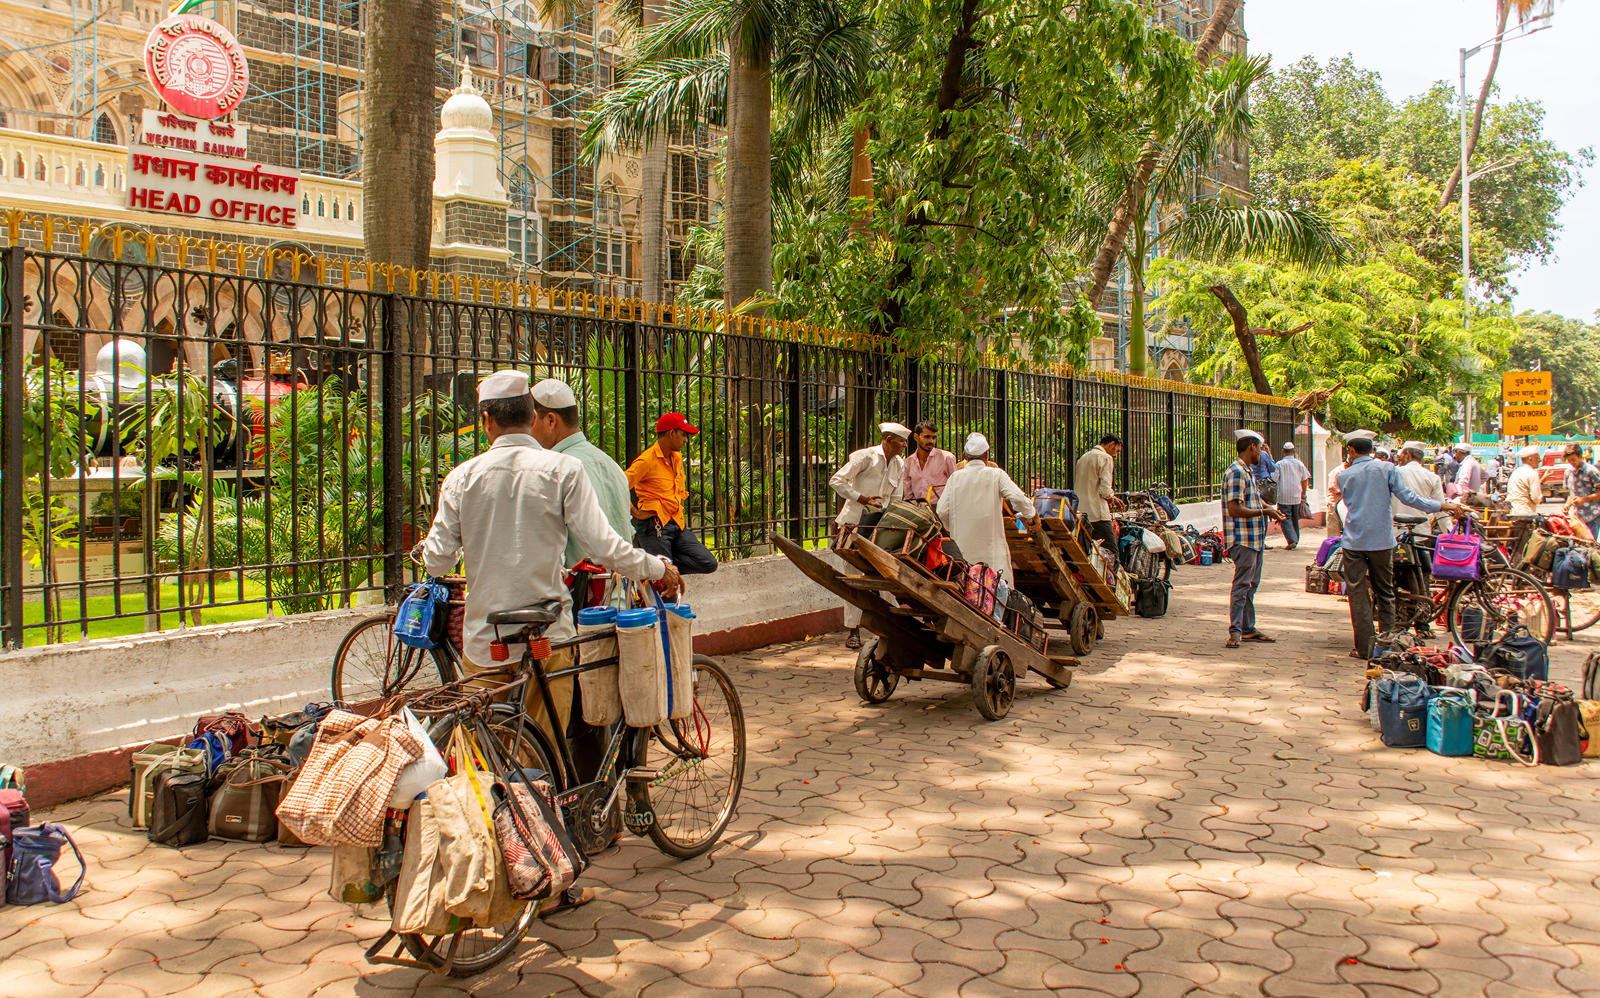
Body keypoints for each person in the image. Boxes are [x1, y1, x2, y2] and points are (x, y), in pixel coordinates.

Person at [419, 369, 680, 741]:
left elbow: (437, 562)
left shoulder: (462, 477)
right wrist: (657, 567)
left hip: (486, 640)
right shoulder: (563, 470)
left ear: (487, 421)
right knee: (546, 752)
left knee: (488, 752)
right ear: (531, 417)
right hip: (547, 636)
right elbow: (606, 547)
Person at [1335, 435, 1468, 659]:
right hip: (1382, 541)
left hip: (1354, 541)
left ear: (1351, 450)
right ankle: (1385, 645)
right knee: (1385, 592)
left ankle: (1364, 648)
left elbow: (1347, 504)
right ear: (1371, 450)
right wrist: (1442, 505)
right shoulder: (1387, 469)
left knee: (1357, 596)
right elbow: (1408, 497)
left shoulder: (1344, 475)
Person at [528, 379, 632, 577]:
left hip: (584, 599)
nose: (529, 431)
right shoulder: (610, 464)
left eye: (532, 422)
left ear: (551, 420)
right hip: (621, 595)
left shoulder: (556, 470)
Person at [829, 422, 911, 648]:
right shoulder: (865, 457)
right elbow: (836, 480)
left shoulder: (899, 464)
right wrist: (862, 498)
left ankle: (895, 625)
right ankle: (853, 630)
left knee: (886, 572)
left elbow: (897, 497)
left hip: (879, 526)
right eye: (901, 441)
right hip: (854, 523)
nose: (904, 445)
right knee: (854, 575)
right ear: (887, 440)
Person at [937, 433, 1037, 586]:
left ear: (964, 456)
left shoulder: (955, 478)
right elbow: (1018, 498)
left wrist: (955, 528)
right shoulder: (996, 475)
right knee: (997, 593)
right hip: (992, 556)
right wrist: (1032, 517)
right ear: (987, 456)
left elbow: (942, 511)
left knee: (968, 591)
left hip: (963, 553)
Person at [627, 412, 719, 577]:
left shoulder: (676, 457)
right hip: (654, 527)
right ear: (671, 433)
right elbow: (618, 485)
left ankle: (656, 566)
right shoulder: (646, 461)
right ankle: (658, 568)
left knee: (708, 562)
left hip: (676, 524)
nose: (686, 440)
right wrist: (635, 512)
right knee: (666, 588)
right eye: (683, 434)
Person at [1222, 434, 1286, 648]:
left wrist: (1266, 510)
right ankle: (1236, 631)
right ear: (1252, 447)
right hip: (1243, 539)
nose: (1262, 453)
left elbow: (1249, 503)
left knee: (1251, 585)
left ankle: (1248, 628)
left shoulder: (1247, 471)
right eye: (1260, 449)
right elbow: (1234, 508)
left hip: (1255, 538)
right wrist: (1264, 510)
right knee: (1242, 585)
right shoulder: (1237, 472)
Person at [1074, 434, 1125, 553]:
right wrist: (1112, 498)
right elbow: (1105, 491)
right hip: (1098, 514)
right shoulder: (1105, 458)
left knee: (1086, 552)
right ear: (1111, 444)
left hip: (1082, 513)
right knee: (1112, 552)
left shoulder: (1083, 457)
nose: (1115, 455)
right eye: (1116, 450)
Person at [1393, 442, 1445, 536]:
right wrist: (1448, 534)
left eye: (1400, 456)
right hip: (1421, 532)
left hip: (1395, 531)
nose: (1399, 459)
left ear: (1407, 455)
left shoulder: (1394, 473)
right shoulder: (1432, 477)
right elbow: (1441, 509)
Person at [903, 420, 957, 504]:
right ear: (916, 437)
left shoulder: (946, 458)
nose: (931, 441)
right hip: (919, 512)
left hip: (941, 512)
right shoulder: (908, 462)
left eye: (934, 437)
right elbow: (909, 495)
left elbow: (956, 487)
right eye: (927, 437)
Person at [1274, 442, 1310, 550]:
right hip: (1296, 496)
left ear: (1283, 451)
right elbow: (1304, 480)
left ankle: (1292, 539)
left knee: (1285, 518)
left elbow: (1274, 479)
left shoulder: (1279, 464)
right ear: (1294, 452)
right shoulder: (1300, 464)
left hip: (1283, 496)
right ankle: (1295, 539)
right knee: (1294, 519)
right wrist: (1303, 493)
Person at [1563, 443, 1600, 540]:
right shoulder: (1568, 472)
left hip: (1592, 516)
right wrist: (1567, 505)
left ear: (1580, 456)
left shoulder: (1591, 471)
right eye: (1569, 460)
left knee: (1590, 547)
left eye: (1574, 460)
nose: (1571, 462)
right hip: (1577, 518)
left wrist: (1584, 499)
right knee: (1578, 548)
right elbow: (1571, 494)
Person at [1506, 445, 1544, 519]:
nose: (1539, 461)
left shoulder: (1516, 472)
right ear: (1530, 460)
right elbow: (1536, 498)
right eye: (1537, 458)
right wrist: (1541, 499)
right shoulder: (1532, 473)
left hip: (1512, 509)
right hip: (1525, 511)